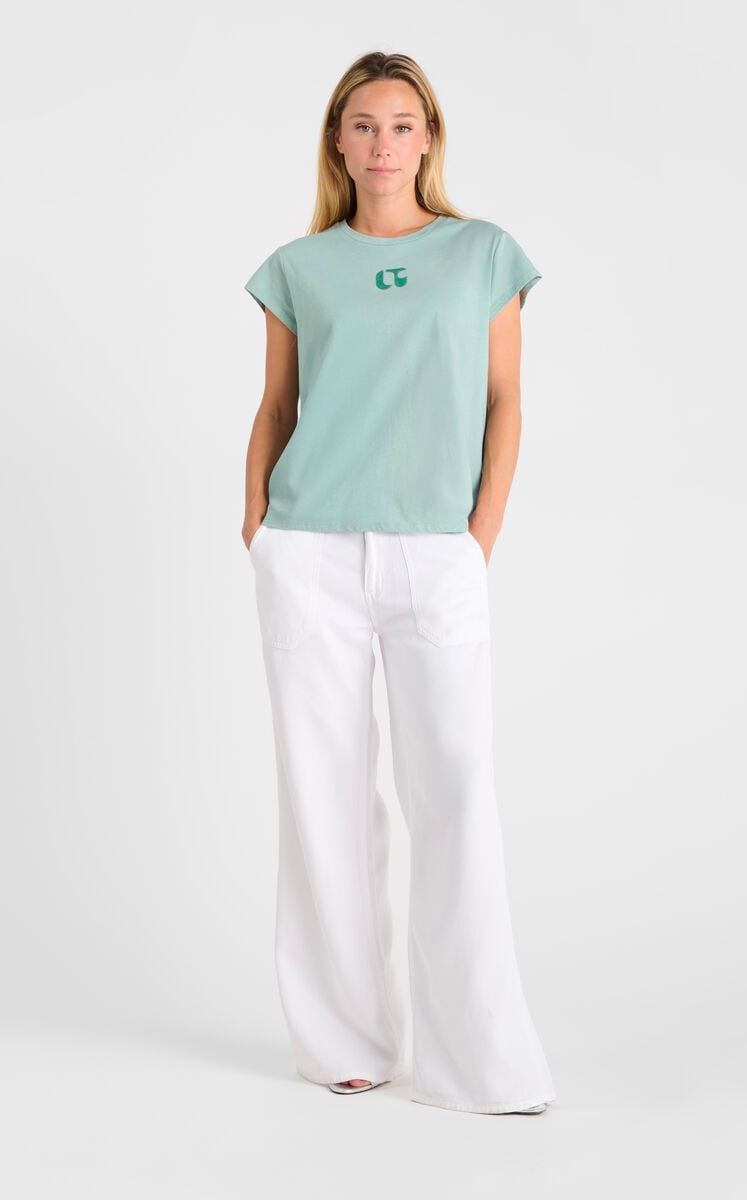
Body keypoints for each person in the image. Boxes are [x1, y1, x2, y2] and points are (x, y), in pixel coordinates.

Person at [242, 50, 557, 1116]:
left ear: (429, 139)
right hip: (309, 550)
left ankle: (480, 1063)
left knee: (454, 790)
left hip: (437, 552)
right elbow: (277, 405)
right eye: (365, 125)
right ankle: (344, 1041)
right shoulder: (299, 266)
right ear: (338, 141)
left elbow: (505, 401)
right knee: (322, 792)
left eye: (403, 124)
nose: (384, 144)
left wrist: (478, 534)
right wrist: (258, 522)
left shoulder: (482, 254)